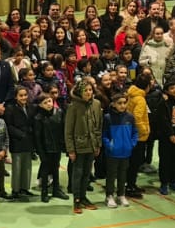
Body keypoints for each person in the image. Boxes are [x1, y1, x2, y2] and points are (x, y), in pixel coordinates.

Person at [64, 79, 102, 212]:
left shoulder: (97, 104)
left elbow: (99, 126)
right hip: (78, 146)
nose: (88, 92)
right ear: (80, 92)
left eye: (90, 90)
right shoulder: (73, 106)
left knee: (87, 173)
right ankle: (76, 200)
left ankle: (84, 197)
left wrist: (98, 144)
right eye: (85, 90)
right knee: (77, 173)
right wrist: (71, 150)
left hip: (92, 145)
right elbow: (68, 130)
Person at [101, 93, 138, 208]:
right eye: (119, 103)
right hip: (113, 153)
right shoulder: (108, 118)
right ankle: (109, 195)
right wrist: (110, 146)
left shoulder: (130, 117)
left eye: (124, 103)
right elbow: (104, 135)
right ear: (113, 104)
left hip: (126, 152)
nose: (122, 105)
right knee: (111, 175)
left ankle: (121, 194)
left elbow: (135, 132)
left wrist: (131, 144)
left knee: (123, 174)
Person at [32, 93, 67, 202]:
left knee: (56, 167)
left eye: (50, 101)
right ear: (40, 105)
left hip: (56, 146)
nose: (48, 104)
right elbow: (37, 136)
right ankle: (44, 192)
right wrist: (40, 151)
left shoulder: (59, 112)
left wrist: (63, 145)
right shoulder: (38, 118)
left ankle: (56, 189)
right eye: (45, 102)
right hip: (45, 148)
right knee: (45, 169)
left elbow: (62, 129)